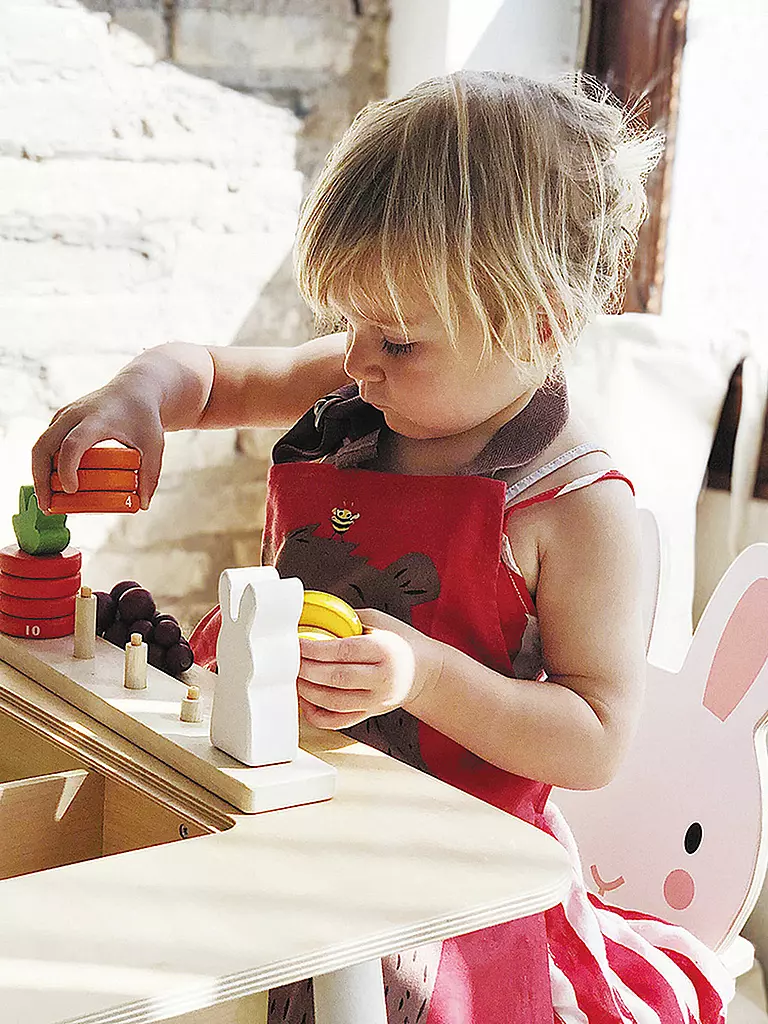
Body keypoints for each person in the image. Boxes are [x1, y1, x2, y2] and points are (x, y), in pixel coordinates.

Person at [32, 71, 734, 1023]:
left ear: (541, 322)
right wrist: (139, 398)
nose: (355, 361)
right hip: (287, 807)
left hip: (443, 887)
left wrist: (423, 676)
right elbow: (207, 376)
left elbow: (597, 739)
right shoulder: (370, 384)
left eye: (396, 341)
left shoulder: (577, 511)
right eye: (346, 324)